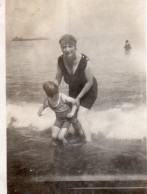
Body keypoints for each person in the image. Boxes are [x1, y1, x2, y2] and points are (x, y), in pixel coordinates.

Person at [55, 34, 98, 110]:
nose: (67, 50)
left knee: (80, 116)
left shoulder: (84, 60)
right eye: (64, 47)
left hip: (89, 89)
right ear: (61, 48)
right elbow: (57, 79)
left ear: (75, 47)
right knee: (71, 116)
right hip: (74, 89)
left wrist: (78, 98)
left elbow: (89, 82)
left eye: (70, 46)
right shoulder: (60, 61)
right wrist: (52, 93)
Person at [38, 81, 84, 145]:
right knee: (54, 136)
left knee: (60, 137)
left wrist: (72, 112)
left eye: (57, 91)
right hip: (59, 120)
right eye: (55, 94)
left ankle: (67, 146)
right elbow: (43, 106)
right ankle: (57, 146)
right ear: (50, 95)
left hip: (67, 119)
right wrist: (39, 112)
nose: (57, 93)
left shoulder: (62, 97)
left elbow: (75, 101)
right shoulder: (48, 101)